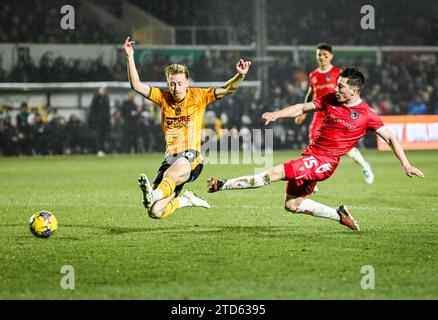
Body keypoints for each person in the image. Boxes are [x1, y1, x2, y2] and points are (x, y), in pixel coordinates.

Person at [207, 67, 424, 231]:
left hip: (324, 162)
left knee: (273, 172)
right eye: (337, 84)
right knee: (292, 205)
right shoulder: (331, 99)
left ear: (354, 90)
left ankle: (222, 185)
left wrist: (406, 164)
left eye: (341, 86)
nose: (335, 89)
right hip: (311, 155)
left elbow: (391, 138)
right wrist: (277, 114)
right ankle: (339, 215)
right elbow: (302, 107)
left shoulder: (367, 115)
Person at [123, 36, 251, 219]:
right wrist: (129, 57)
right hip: (170, 159)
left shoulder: (198, 96)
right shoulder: (162, 97)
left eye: (180, 83)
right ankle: (186, 200)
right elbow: (136, 85)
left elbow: (226, 89)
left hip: (191, 158)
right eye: (172, 83)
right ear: (168, 83)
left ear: (187, 83)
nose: (176, 88)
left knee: (171, 174)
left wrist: (240, 75)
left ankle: (154, 193)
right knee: (155, 212)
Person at [295, 43, 374, 187]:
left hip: (336, 113)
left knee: (344, 148)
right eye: (319, 54)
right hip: (319, 114)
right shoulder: (313, 74)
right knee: (314, 144)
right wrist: (303, 113)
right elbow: (311, 93)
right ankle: (312, 180)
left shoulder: (338, 72)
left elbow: (351, 91)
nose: (322, 57)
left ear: (331, 56)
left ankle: (365, 166)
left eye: (325, 54)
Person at [88, 87, 111, 156]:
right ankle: (99, 150)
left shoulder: (106, 98)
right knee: (99, 135)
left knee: (103, 136)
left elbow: (107, 110)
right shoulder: (96, 97)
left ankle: (102, 149)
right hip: (98, 121)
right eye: (103, 89)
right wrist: (93, 119)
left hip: (104, 121)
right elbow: (92, 109)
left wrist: (108, 120)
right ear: (99, 90)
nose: (104, 91)